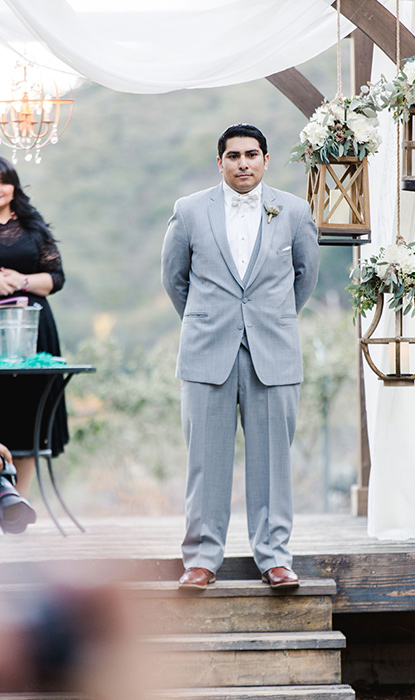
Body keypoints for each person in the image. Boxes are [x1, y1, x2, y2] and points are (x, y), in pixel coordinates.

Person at [162, 124, 320, 589]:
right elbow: (175, 280)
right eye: (233, 156)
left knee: (273, 461)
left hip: (273, 349)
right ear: (220, 163)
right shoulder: (189, 211)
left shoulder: (293, 210)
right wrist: (210, 319)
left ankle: (274, 558)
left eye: (252, 155)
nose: (243, 163)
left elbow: (304, 276)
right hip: (207, 349)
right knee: (205, 461)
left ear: (266, 160)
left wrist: (271, 318)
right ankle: (201, 560)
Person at [0, 157, 68, 498]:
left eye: (5, 181)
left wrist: (21, 280)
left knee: (27, 411)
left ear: (14, 185)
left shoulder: (32, 225)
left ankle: (18, 504)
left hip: (32, 328)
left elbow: (57, 278)